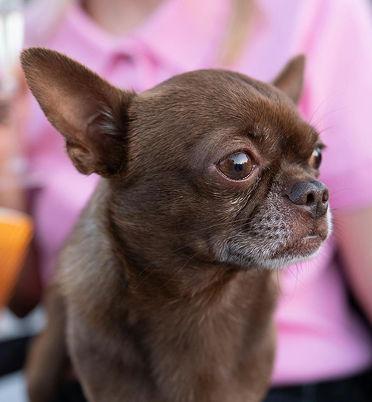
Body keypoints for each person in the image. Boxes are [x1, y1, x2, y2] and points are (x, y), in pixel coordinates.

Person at [5, 0, 372, 400]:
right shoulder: (20, 38)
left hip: (294, 380)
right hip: (101, 374)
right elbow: (23, 299)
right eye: (238, 165)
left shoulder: (311, 10)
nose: (312, 194)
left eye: (313, 159)